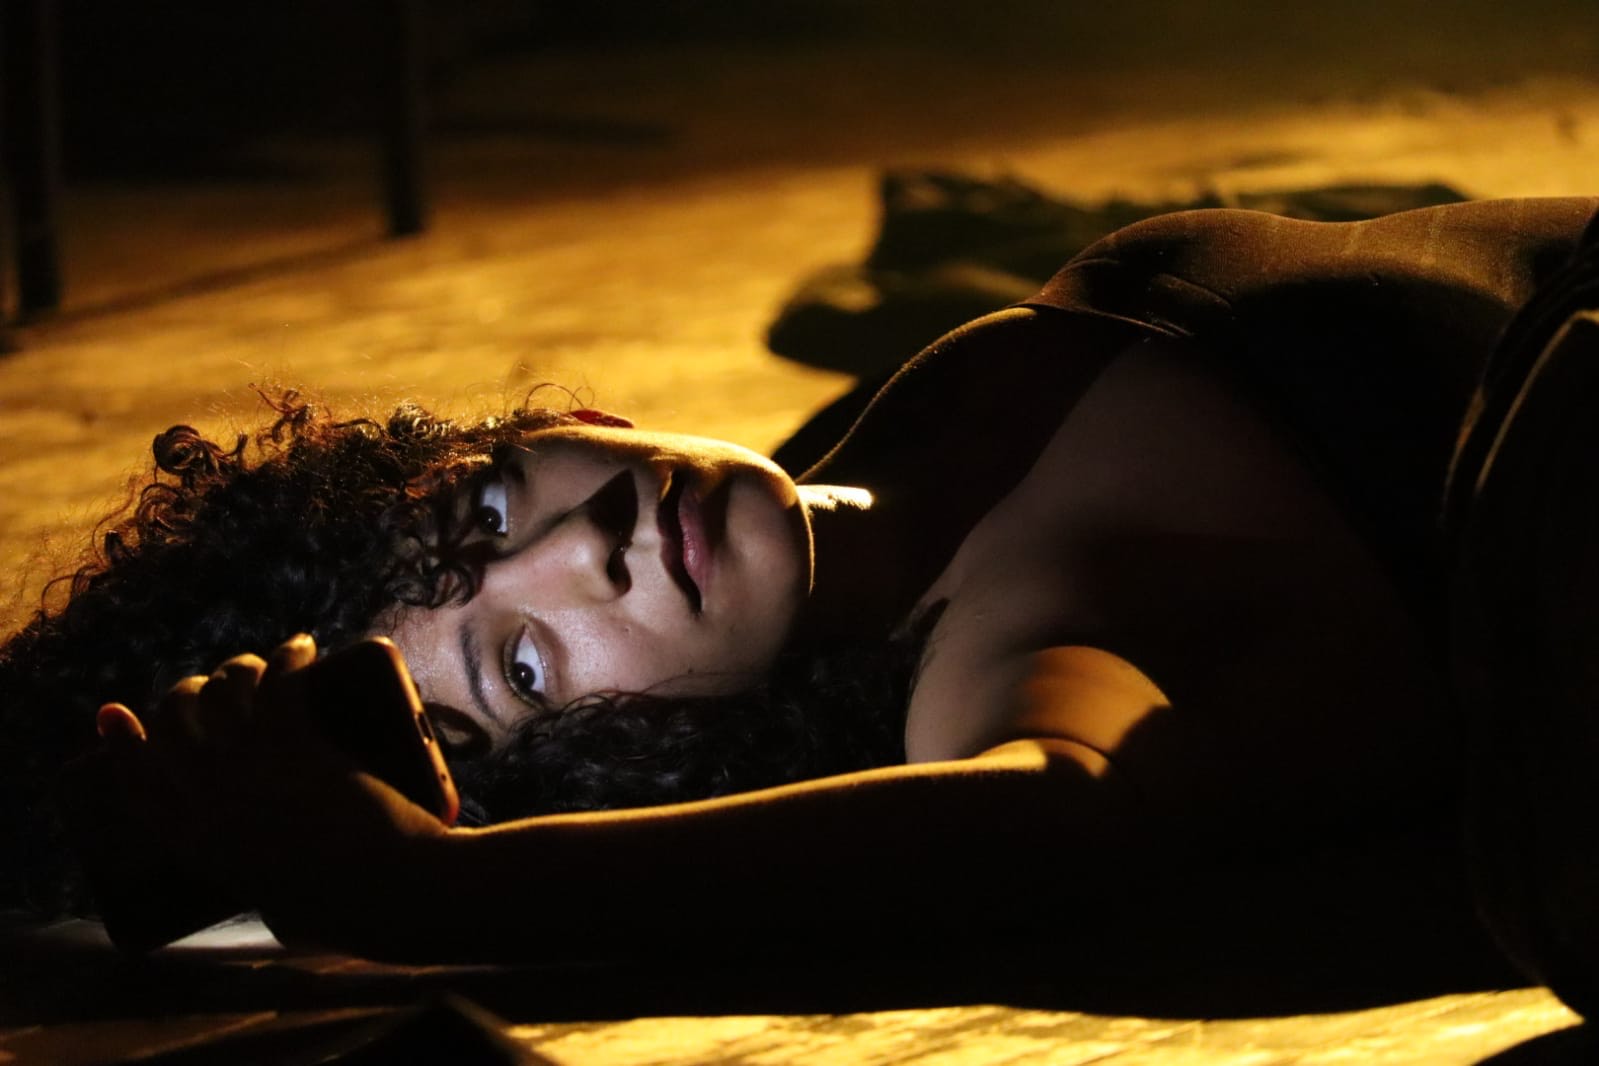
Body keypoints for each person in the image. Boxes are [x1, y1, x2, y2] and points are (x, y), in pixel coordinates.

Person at [5, 197, 1597, 972]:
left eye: (488, 504)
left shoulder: (882, 472)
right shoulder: (1000, 648)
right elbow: (1063, 806)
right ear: (614, 773)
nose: (587, 544)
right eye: (527, 667)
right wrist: (424, 887)